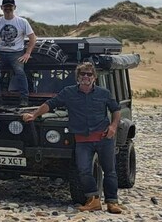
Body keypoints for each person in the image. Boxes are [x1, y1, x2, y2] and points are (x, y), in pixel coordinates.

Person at [21, 62, 123, 213]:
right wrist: (34, 115)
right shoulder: (68, 92)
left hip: (103, 138)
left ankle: (112, 202)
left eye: (89, 74)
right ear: (78, 77)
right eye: (83, 74)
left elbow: (116, 109)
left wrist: (113, 126)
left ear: (94, 77)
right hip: (82, 140)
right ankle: (93, 200)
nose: (86, 77)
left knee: (109, 170)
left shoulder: (104, 93)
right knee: (83, 171)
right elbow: (51, 104)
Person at [0, 0, 37, 106]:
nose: (8, 8)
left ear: (14, 7)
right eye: (6, 7)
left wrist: (27, 53)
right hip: (0, 53)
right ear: (1, 8)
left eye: (10, 6)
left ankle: (24, 97)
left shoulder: (22, 22)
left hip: (16, 53)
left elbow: (33, 38)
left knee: (19, 71)